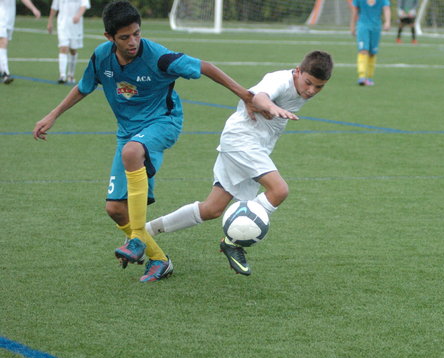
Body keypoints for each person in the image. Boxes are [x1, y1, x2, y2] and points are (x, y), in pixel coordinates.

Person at [32, 0, 262, 283]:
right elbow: (83, 87)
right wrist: (53, 115)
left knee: (132, 152)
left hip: (164, 123)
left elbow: (205, 67)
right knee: (115, 209)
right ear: (109, 37)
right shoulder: (101, 57)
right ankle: (159, 259)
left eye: (137, 34)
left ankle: (138, 238)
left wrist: (245, 95)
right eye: (124, 37)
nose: (133, 42)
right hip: (128, 132)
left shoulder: (158, 57)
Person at [145, 50, 334, 276]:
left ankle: (145, 232)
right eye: (308, 83)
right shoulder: (280, 80)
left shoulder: (301, 88)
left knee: (212, 209)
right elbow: (259, 97)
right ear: (298, 71)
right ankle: (232, 242)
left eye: (319, 87)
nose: (311, 90)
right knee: (279, 190)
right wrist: (270, 106)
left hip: (248, 145)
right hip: (242, 141)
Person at [47, 0, 90, 84]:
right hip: (62, 24)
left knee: (73, 50)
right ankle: (62, 76)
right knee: (63, 47)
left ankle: (71, 74)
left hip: (75, 25)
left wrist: (78, 15)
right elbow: (54, 7)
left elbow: (84, 5)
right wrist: (50, 22)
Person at [350, 0, 390, 87]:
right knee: (363, 50)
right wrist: (352, 26)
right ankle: (362, 76)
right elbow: (355, 11)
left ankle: (369, 77)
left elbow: (386, 8)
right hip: (363, 26)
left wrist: (387, 22)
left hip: (376, 27)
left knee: (372, 53)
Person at [0, 0, 41, 84]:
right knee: (3, 43)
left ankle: (2, 69)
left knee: (4, 44)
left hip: (9, 18)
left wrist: (33, 9)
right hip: (1, 17)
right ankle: (5, 73)